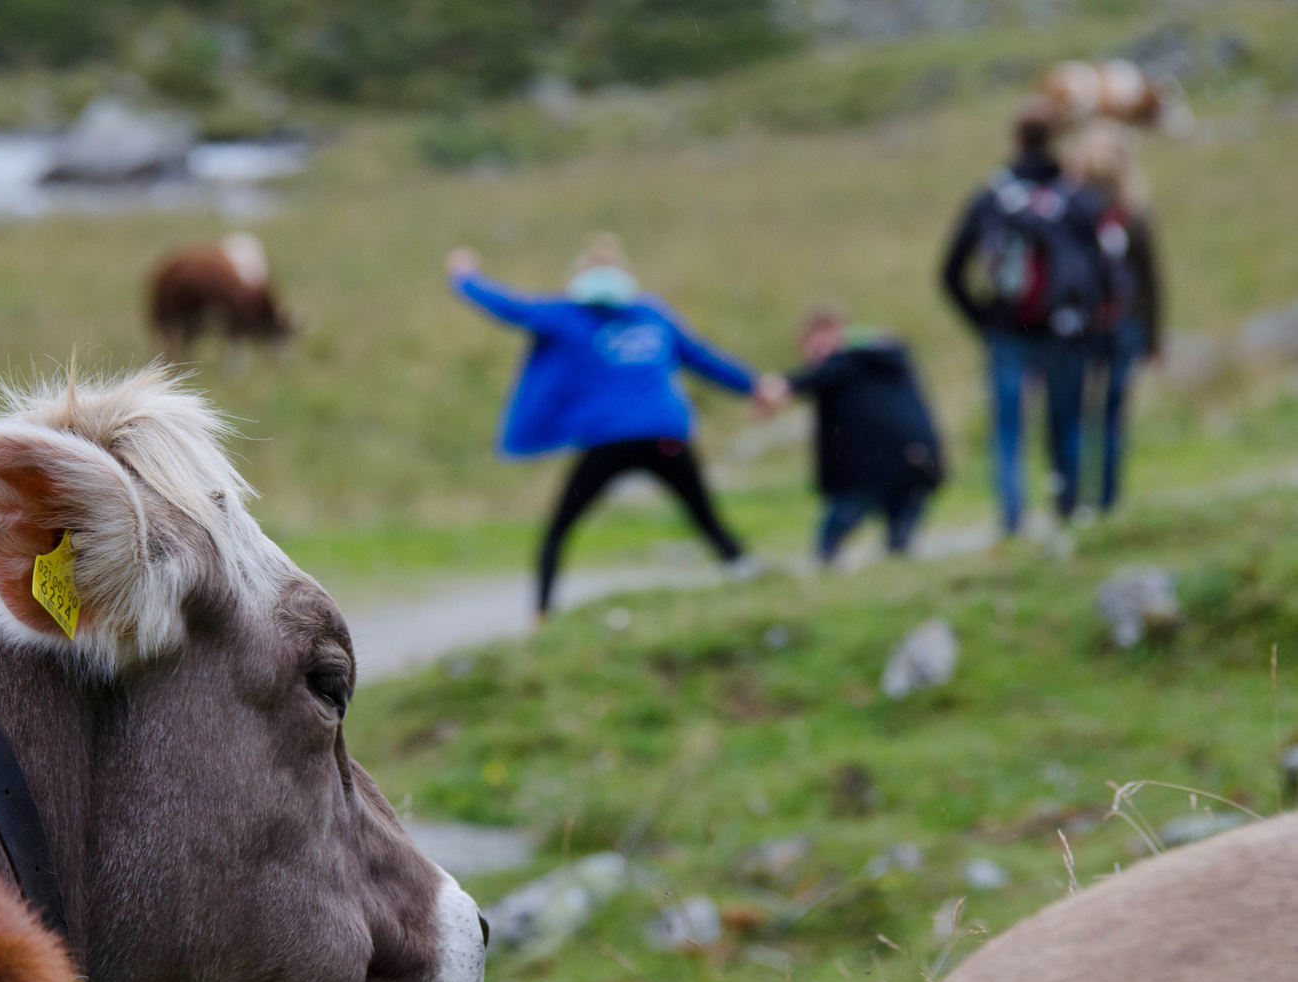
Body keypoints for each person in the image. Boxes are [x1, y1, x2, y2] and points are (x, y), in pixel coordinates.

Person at [447, 234, 758, 617]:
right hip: (665, 436)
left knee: (559, 531)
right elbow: (703, 358)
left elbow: (508, 307)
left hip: (609, 442)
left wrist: (464, 276)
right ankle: (748, 575)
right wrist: (755, 386)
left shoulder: (569, 315)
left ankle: (542, 615)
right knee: (706, 518)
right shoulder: (651, 314)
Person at [941, 99, 1105, 534]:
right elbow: (1099, 267)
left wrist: (983, 319)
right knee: (1066, 422)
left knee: (1008, 433)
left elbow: (950, 271)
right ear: (1055, 138)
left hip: (1005, 329)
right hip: (1063, 328)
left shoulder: (990, 198)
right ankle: (1070, 513)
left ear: (1015, 137)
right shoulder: (1075, 199)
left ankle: (1012, 521)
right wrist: (1088, 320)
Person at [759, 307, 944, 563]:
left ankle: (828, 568)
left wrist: (783, 386)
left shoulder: (848, 360)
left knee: (831, 537)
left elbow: (823, 373)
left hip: (872, 468)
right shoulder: (887, 355)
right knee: (899, 542)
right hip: (920, 459)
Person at [1065, 119, 1162, 512]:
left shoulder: (1068, 209)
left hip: (1079, 325)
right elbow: (1152, 280)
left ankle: (1071, 496)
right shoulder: (1133, 209)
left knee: (1074, 412)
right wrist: (1153, 339)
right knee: (1111, 415)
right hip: (1126, 323)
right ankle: (1107, 497)